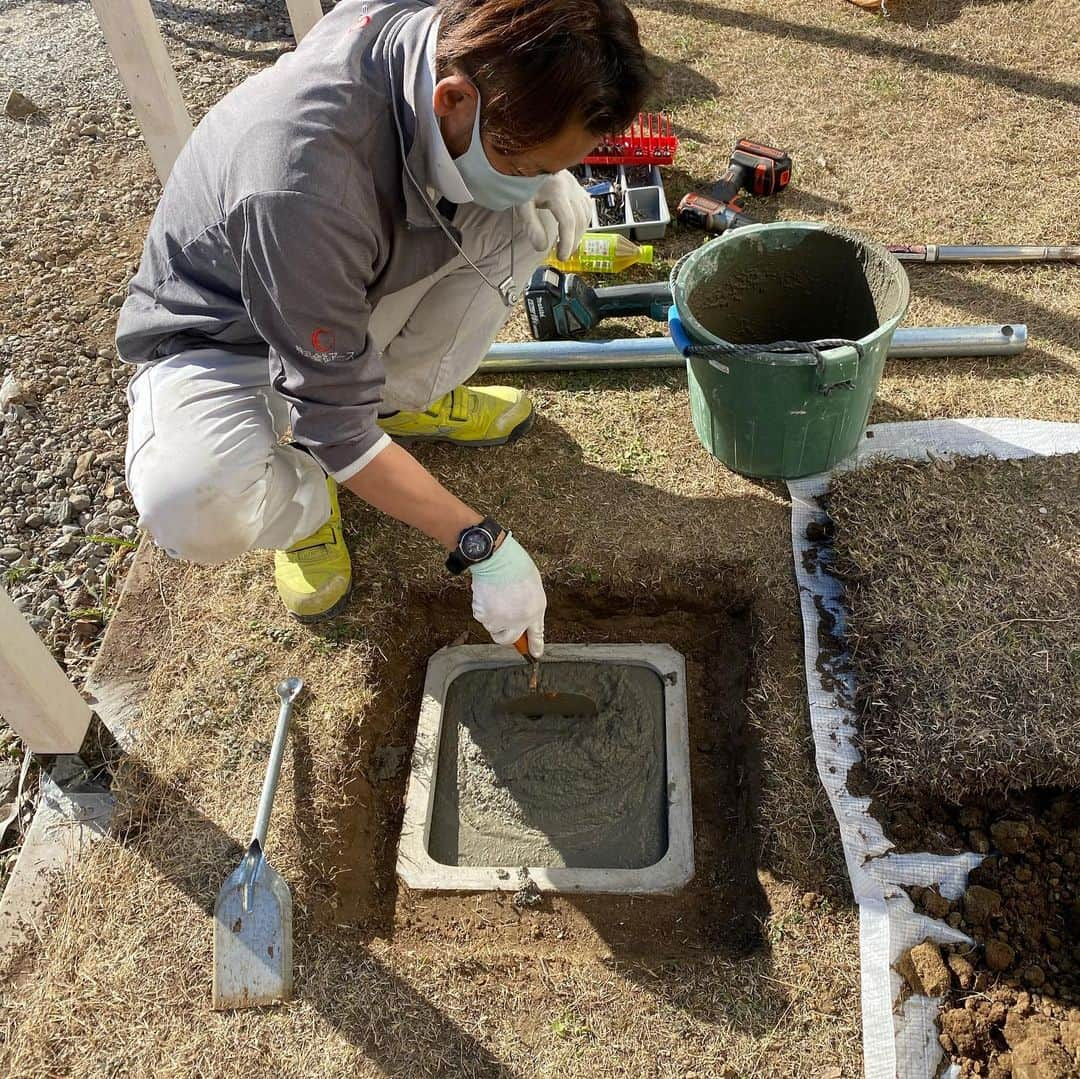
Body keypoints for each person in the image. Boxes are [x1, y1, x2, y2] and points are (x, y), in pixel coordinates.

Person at [115, 0, 651, 658]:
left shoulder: (454, 40)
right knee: (194, 502)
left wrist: (542, 174)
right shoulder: (302, 178)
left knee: (523, 226)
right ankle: (313, 491)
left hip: (350, 271)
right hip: (226, 332)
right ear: (453, 99)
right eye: (527, 165)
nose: (535, 180)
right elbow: (332, 416)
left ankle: (392, 409)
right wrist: (482, 544)